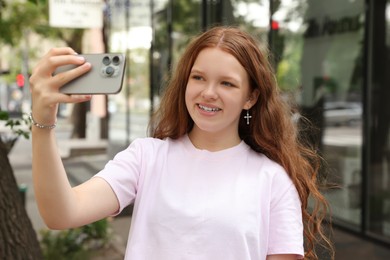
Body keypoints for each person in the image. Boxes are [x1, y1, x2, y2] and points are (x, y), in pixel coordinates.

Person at [29, 26, 333, 260]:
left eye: (227, 83)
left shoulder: (273, 181)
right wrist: (43, 124)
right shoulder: (146, 157)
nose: (208, 92)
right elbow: (61, 213)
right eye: (198, 78)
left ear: (250, 97)